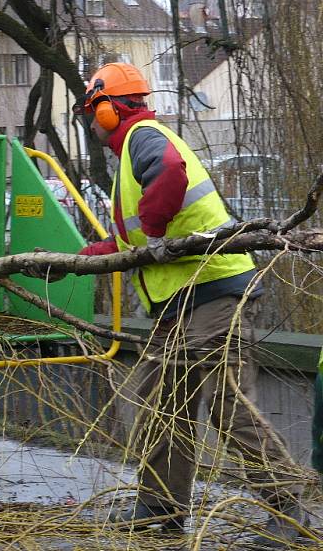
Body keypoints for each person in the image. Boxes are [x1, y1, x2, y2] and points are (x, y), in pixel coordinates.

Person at [71, 63, 304, 546]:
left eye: (93, 112)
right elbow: (128, 238)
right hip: (177, 305)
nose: (92, 124)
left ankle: (289, 511)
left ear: (112, 110)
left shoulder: (145, 139)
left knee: (226, 405)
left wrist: (154, 232)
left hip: (214, 291)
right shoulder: (132, 158)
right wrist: (80, 258)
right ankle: (159, 506)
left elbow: (170, 180)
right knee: (163, 404)